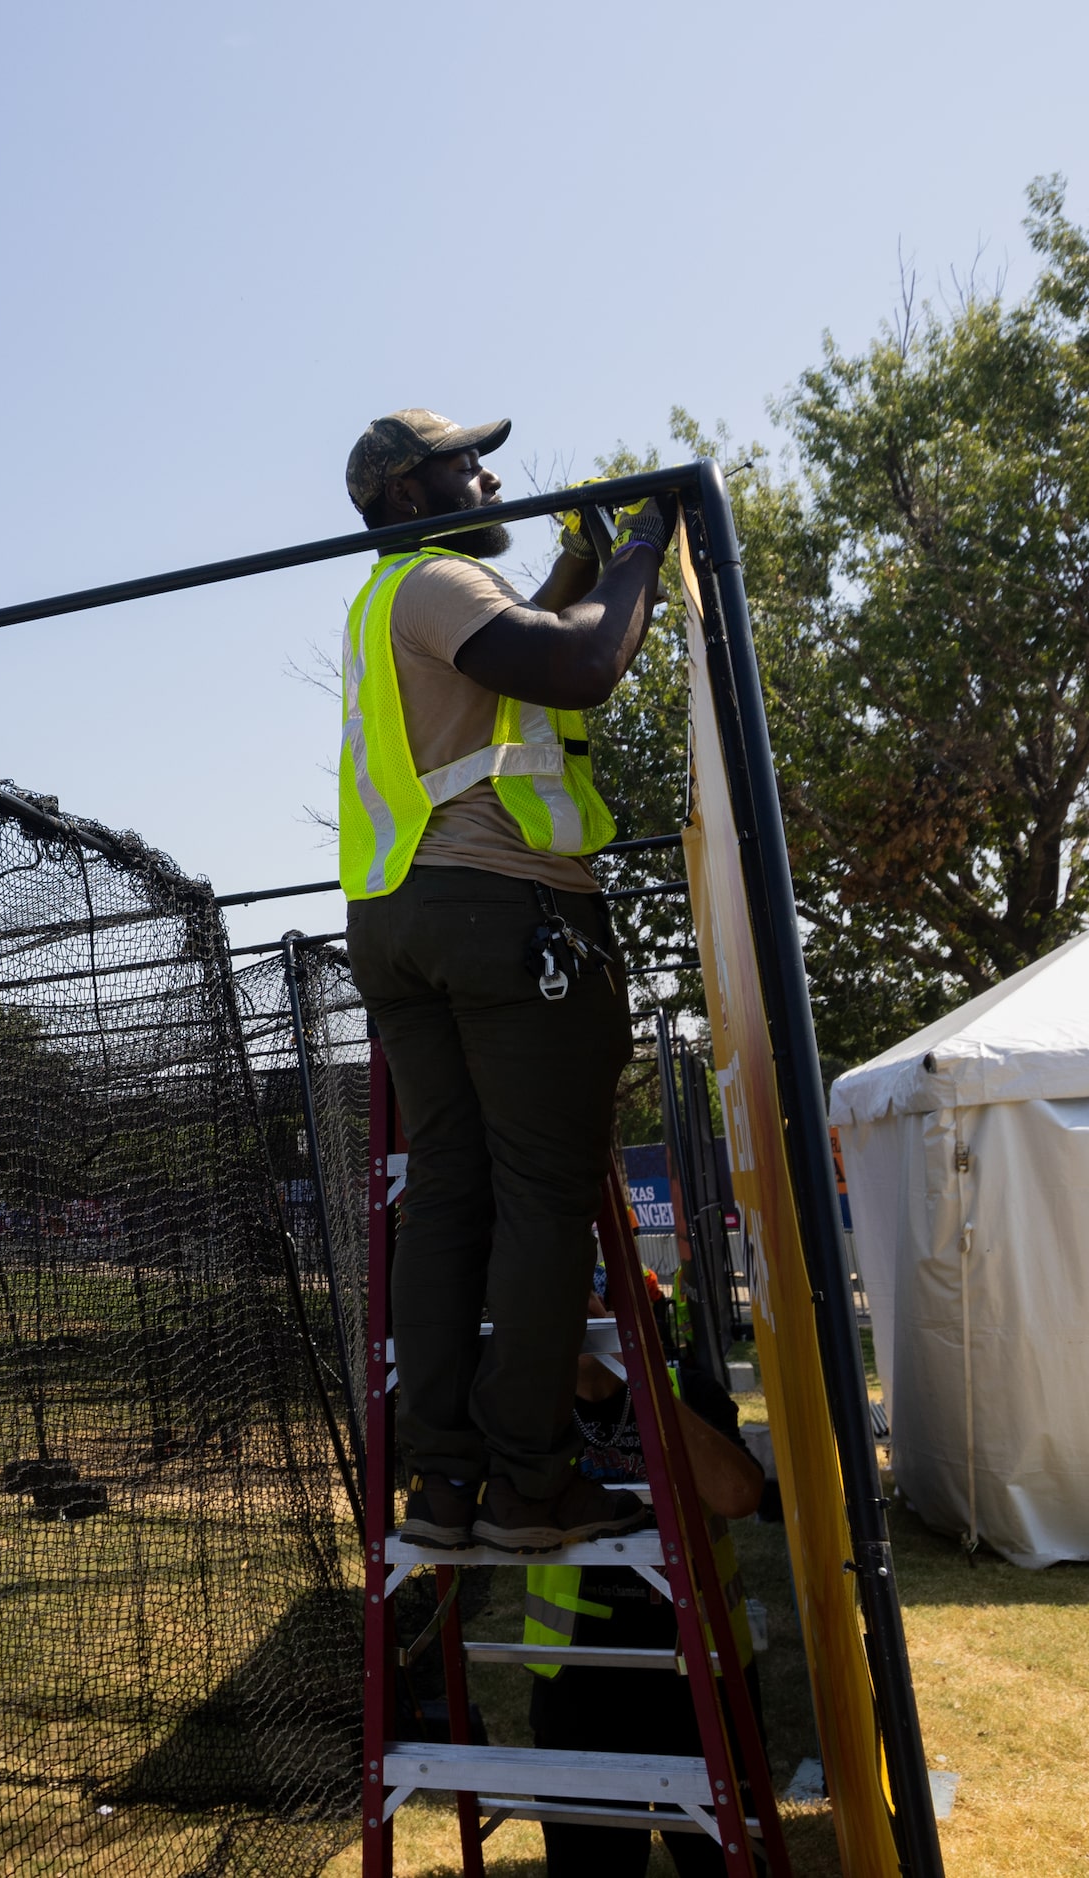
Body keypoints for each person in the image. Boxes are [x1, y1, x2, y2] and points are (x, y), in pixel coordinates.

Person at [336, 409, 672, 1551]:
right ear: (401, 494)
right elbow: (574, 663)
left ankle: (441, 1486)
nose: (485, 476)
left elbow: (528, 640)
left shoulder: (393, 602)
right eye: (458, 464)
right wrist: (638, 549)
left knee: (449, 1193)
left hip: (402, 919)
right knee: (541, 1192)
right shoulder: (433, 586)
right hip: (503, 911)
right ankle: (528, 1481)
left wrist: (579, 557)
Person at [526, 1285, 769, 1876]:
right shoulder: (529, 1404)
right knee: (591, 1860)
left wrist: (641, 1378)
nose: (576, 1326)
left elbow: (739, 1494)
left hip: (697, 1664)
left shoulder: (684, 1386)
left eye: (589, 1308)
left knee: (723, 1853)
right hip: (579, 1676)